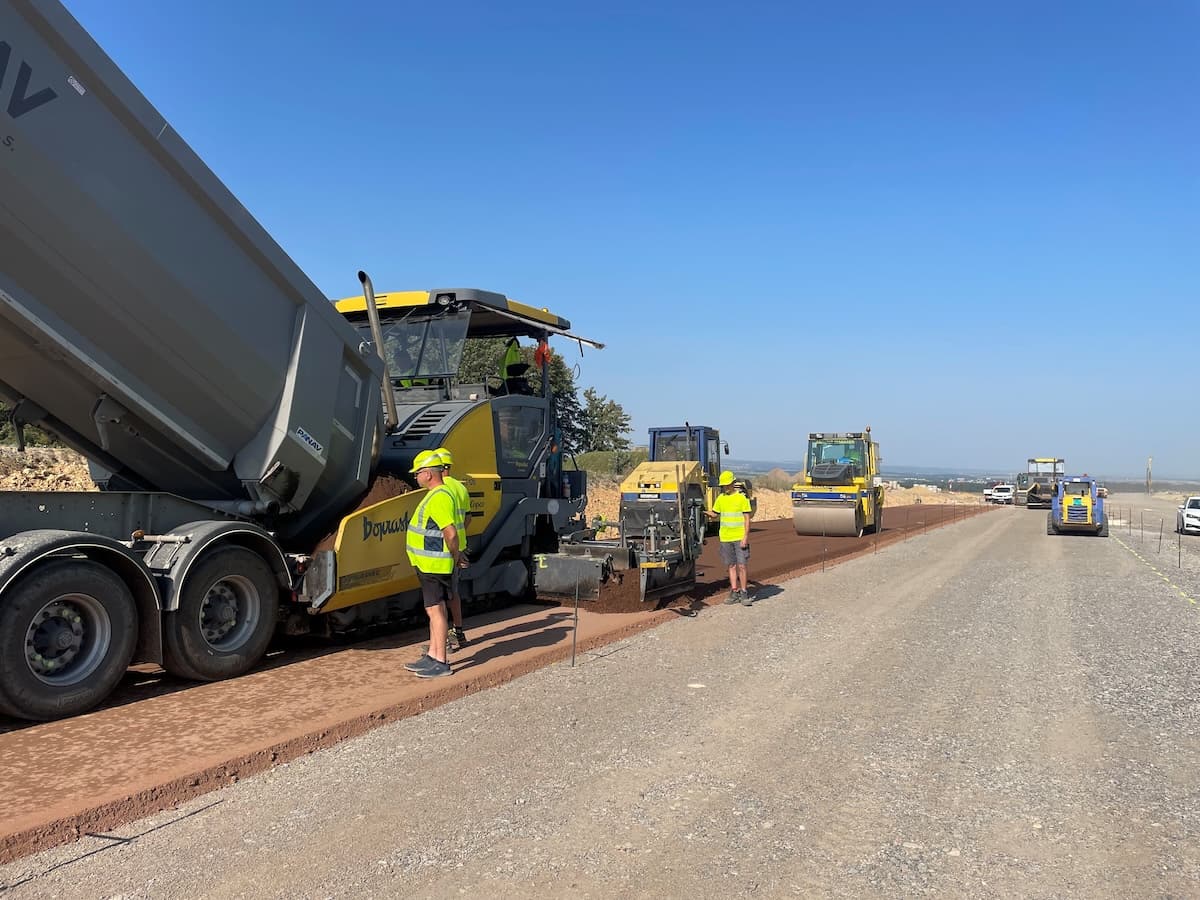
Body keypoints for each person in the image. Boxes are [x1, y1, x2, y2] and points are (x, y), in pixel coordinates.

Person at [402, 449, 464, 678]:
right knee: (433, 609)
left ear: (428, 474)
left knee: (436, 611)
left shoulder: (439, 497)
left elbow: (450, 532)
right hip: (429, 564)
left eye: (417, 472)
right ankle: (432, 655)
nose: (415, 476)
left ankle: (440, 661)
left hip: (435, 565)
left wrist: (455, 555)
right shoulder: (436, 494)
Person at [432, 446, 470, 651]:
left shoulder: (440, 489)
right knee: (453, 593)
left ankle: (444, 640)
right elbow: (468, 518)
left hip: (443, 549)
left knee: (438, 597)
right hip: (459, 547)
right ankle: (459, 632)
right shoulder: (461, 488)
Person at [708, 470, 753, 606]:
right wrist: (702, 511)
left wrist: (745, 537)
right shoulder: (721, 498)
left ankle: (744, 593)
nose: (725, 487)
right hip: (725, 537)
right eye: (723, 485)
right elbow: (715, 514)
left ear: (733, 483)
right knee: (731, 565)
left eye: (727, 485)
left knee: (742, 565)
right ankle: (734, 591)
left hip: (739, 537)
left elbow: (747, 518)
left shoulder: (741, 498)